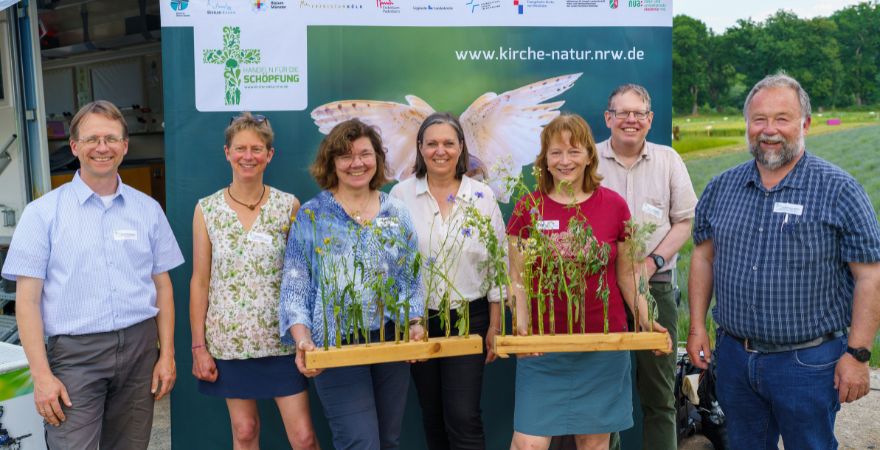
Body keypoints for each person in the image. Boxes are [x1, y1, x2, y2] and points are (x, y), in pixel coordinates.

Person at [687, 73, 880, 449]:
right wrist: (696, 326)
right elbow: (703, 257)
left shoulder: (839, 190)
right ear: (747, 124)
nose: (769, 130)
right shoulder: (722, 187)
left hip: (809, 363)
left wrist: (857, 355)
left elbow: (869, 276)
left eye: (782, 119)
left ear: (805, 124)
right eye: (759, 119)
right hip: (735, 361)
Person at [0, 100, 184, 450]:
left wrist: (167, 355)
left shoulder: (148, 210)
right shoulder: (42, 215)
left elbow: (163, 287)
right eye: (92, 139)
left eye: (112, 138)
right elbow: (26, 302)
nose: (103, 147)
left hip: (139, 349)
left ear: (125, 146)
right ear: (74, 147)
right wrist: (41, 377)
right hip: (75, 357)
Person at [506, 113, 668, 450]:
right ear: (545, 160)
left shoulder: (614, 206)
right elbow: (517, 279)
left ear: (589, 157)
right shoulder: (529, 207)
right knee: (528, 443)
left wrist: (646, 319)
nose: (565, 161)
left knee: (593, 443)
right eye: (556, 153)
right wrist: (523, 329)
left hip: (602, 346)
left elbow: (627, 275)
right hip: (544, 348)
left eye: (574, 151)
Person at [280, 118, 425, 449]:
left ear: (377, 159)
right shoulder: (312, 215)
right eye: (345, 156)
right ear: (331, 163)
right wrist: (302, 340)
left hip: (391, 340)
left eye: (365, 154)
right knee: (360, 441)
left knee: (388, 439)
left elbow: (411, 277)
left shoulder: (397, 212)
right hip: (334, 342)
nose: (356, 163)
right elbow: (295, 285)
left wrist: (414, 322)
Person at [189, 113, 318, 449]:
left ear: (269, 155)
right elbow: (200, 281)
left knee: (303, 438)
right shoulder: (207, 209)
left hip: (283, 343)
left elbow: (303, 277)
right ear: (227, 153)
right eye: (241, 148)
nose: (249, 156)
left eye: (257, 149)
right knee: (245, 431)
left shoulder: (288, 206)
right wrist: (199, 347)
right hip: (230, 345)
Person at [389, 112, 506, 450]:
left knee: (462, 414)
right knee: (432, 413)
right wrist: (410, 320)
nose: (440, 151)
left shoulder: (482, 196)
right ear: (420, 149)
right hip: (418, 320)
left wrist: (495, 325)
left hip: (471, 316)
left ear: (461, 148)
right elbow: (396, 266)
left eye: (448, 143)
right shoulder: (400, 195)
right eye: (432, 144)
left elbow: (497, 264)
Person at [596, 84, 697, 450]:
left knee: (659, 396)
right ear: (608, 118)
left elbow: (684, 221)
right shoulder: (587, 161)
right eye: (622, 112)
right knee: (606, 394)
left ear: (650, 120)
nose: (631, 120)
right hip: (601, 293)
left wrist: (651, 263)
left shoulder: (668, 159)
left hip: (656, 288)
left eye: (639, 113)